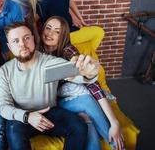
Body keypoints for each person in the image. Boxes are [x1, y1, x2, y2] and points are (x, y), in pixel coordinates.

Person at [0, 22, 103, 150]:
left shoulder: (47, 65)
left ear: (33, 39)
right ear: (9, 46)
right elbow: (3, 107)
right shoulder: (5, 71)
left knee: (79, 126)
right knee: (13, 130)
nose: (22, 44)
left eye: (26, 38)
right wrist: (27, 116)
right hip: (23, 117)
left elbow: (77, 72)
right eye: (15, 41)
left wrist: (89, 72)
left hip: (49, 113)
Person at [40, 16, 124, 150]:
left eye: (57, 31)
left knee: (86, 120)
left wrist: (114, 123)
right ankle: (117, 146)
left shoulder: (68, 50)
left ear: (63, 36)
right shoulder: (36, 51)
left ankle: (115, 141)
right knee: (85, 100)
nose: (50, 33)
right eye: (48, 28)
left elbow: (91, 82)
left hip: (74, 98)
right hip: (55, 103)